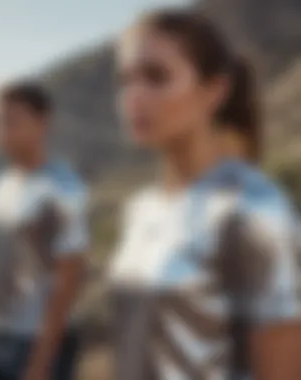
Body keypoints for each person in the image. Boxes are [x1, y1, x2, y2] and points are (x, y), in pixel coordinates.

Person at [109, 9, 301, 380]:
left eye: (156, 76)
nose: (134, 96)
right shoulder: (141, 208)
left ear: (214, 91)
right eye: (125, 80)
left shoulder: (253, 208)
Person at [0, 82, 88, 380]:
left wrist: (40, 363)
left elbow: (68, 281)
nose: (3, 131)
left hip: (37, 342)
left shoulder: (62, 188)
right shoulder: (1, 186)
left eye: (13, 121)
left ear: (42, 121)